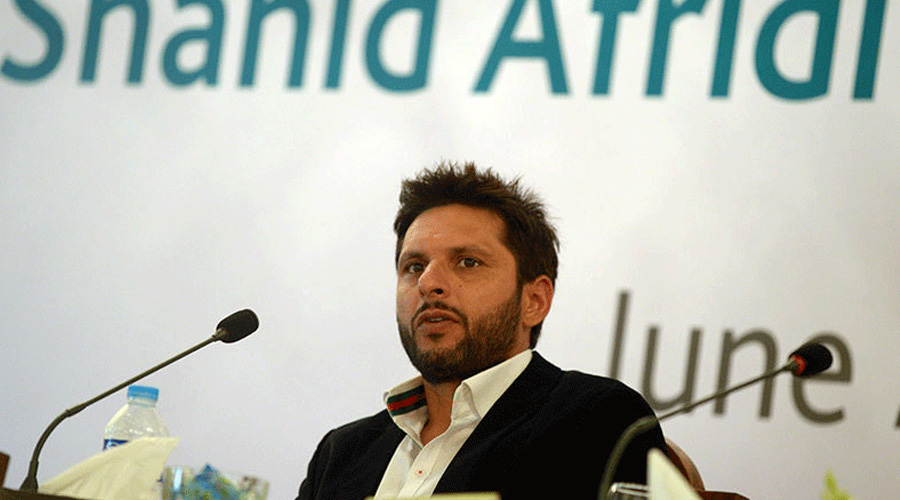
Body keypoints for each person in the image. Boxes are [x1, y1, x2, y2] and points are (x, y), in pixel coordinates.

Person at [297, 162, 664, 500]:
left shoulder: (596, 420)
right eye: (414, 266)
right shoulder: (340, 453)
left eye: (467, 262)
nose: (428, 283)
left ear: (534, 300)